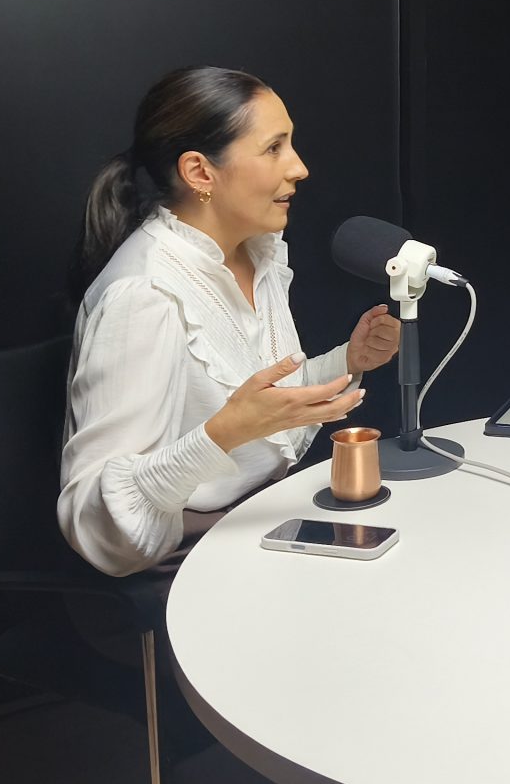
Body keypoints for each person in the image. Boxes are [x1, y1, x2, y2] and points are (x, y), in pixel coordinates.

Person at [60, 66, 401, 578]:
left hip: (260, 521)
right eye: (274, 148)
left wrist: (347, 361)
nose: (300, 167)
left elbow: (258, 410)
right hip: (180, 569)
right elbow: (97, 524)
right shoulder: (145, 295)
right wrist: (222, 434)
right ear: (200, 173)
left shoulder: (256, 254)